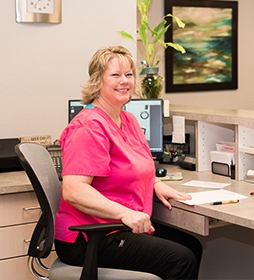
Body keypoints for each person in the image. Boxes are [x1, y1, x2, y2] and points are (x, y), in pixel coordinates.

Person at [55, 45, 202, 279]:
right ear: (97, 81)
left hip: (117, 225)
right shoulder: (88, 127)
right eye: (115, 75)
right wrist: (125, 213)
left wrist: (154, 184)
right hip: (90, 236)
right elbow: (74, 190)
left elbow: (133, 165)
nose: (124, 81)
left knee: (192, 246)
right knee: (180, 260)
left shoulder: (127, 118)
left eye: (129, 74)